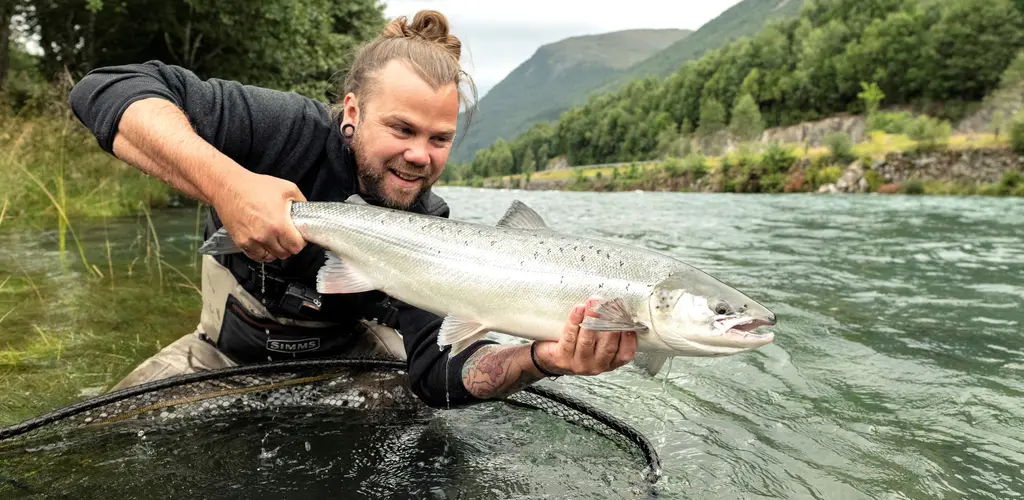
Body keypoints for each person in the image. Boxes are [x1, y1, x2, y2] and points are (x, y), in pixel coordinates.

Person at [67, 10, 637, 408]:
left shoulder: (428, 226)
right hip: (223, 352)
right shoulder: (287, 131)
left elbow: (436, 380)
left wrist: (543, 358)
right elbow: (107, 88)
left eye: (439, 139)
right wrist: (229, 184)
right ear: (352, 112)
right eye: (401, 129)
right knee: (106, 426)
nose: (419, 156)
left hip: (354, 358)